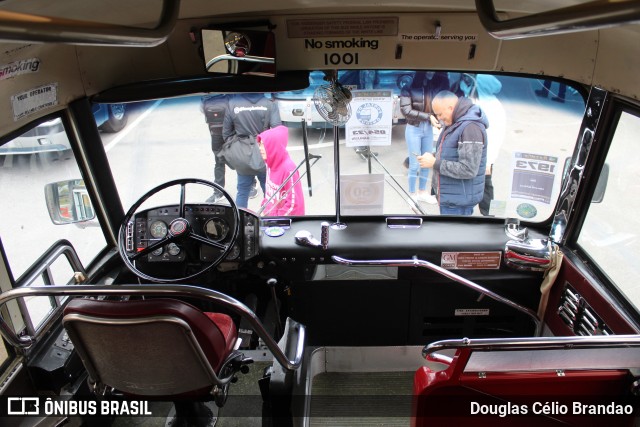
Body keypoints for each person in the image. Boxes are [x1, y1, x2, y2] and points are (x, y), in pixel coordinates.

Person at [418, 90, 488, 216]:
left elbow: (468, 169)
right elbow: (452, 153)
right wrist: (433, 157)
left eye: (439, 114)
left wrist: (435, 163)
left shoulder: (470, 128)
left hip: (458, 204)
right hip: (452, 199)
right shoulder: (456, 121)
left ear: (450, 108)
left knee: (453, 236)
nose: (438, 118)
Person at [222, 93, 281, 209]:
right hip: (264, 154)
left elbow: (226, 134)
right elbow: (277, 131)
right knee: (269, 192)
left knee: (243, 191)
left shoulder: (233, 103)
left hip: (243, 156)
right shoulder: (269, 104)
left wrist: (238, 147)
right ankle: (270, 220)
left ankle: (241, 222)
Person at [399, 71, 449, 205]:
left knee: (427, 162)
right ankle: (412, 193)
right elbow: (406, 111)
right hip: (413, 129)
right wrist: (428, 117)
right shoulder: (408, 87)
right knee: (414, 164)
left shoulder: (433, 86)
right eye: (428, 69)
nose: (431, 72)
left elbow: (438, 107)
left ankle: (422, 192)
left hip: (428, 128)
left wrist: (439, 121)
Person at [459, 73, 506, 216]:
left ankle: (492, 217)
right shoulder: (473, 101)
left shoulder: (493, 108)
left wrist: (489, 161)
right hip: (469, 153)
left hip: (485, 155)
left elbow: (496, 137)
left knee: (486, 185)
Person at [258, 125, 305, 216]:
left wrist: (274, 218)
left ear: (273, 146)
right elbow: (268, 195)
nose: (260, 148)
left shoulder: (289, 170)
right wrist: (264, 207)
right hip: (271, 219)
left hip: (285, 223)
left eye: (264, 145)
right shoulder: (269, 163)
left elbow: (294, 205)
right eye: (259, 144)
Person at [201, 94, 228, 202]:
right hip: (215, 129)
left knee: (239, 155)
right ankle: (218, 192)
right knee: (219, 160)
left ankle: (250, 184)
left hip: (230, 125)